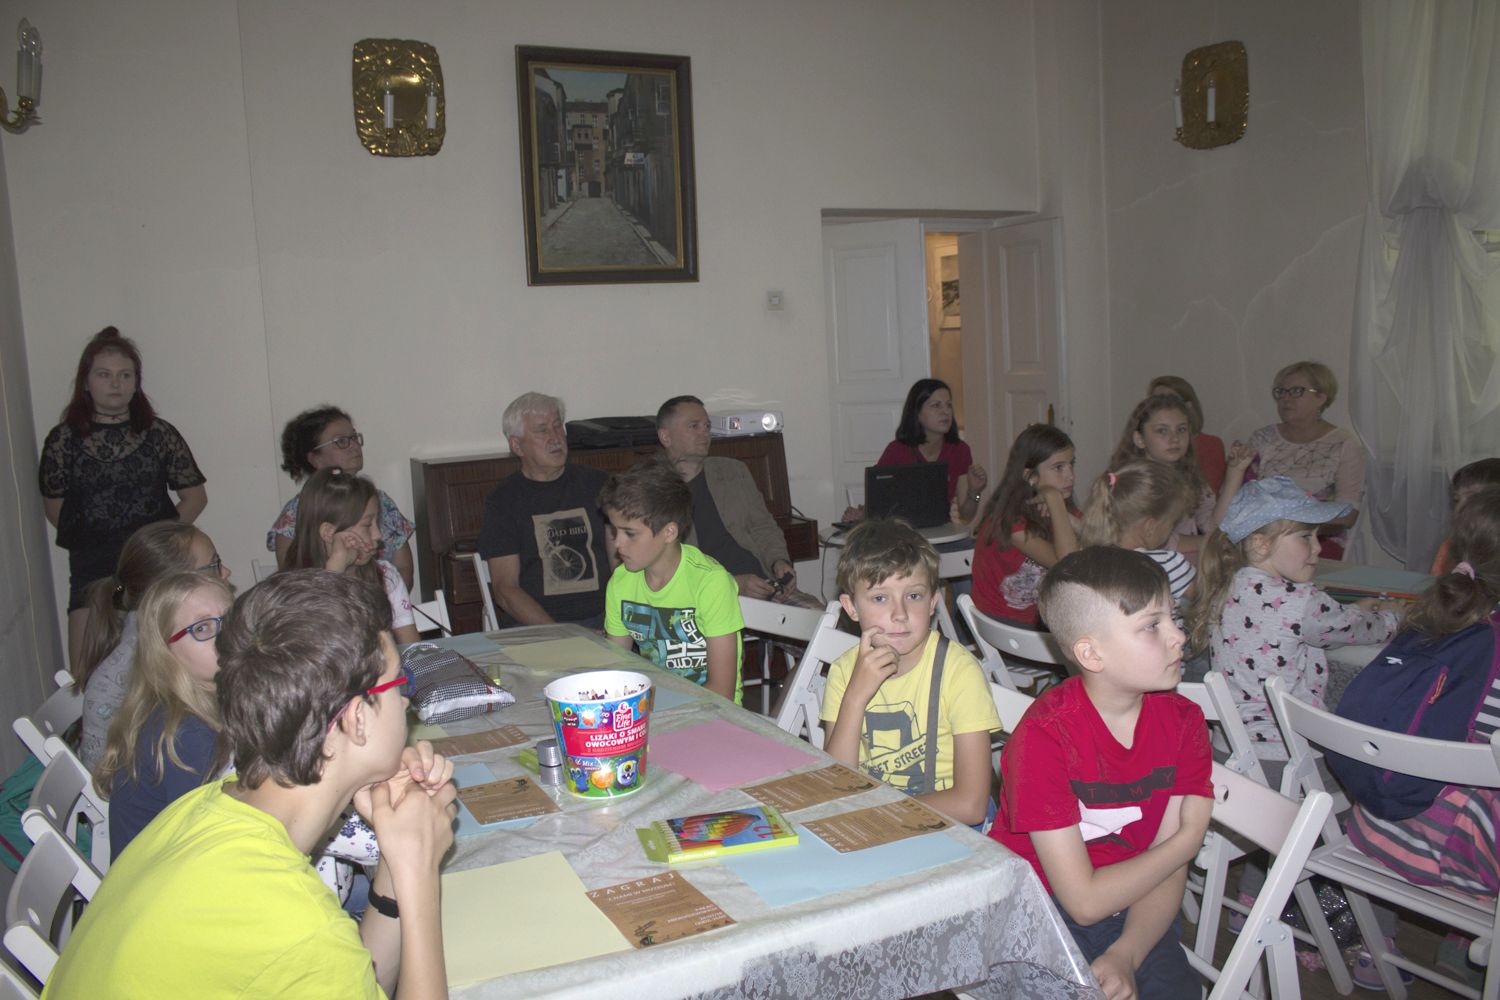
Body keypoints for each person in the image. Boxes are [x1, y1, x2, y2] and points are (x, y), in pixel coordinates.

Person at [43, 571, 458, 999]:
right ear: (356, 720)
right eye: (400, 684)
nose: (405, 701)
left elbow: (360, 982)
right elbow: (311, 950)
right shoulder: (297, 925)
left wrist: (394, 862)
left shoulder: (204, 807)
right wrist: (419, 874)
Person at [990, 547, 1214, 1000]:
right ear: (1091, 653)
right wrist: (1188, 841)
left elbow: (1166, 870)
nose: (1178, 636)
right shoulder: (1044, 738)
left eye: (1172, 617)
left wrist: (1126, 953)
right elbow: (1084, 903)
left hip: (1139, 907)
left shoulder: (1185, 722)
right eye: (1152, 625)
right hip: (1038, 910)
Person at [1185, 476, 1401, 772]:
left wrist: (1352, 609)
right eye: (1305, 537)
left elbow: (1289, 621)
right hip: (1287, 760)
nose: (1318, 548)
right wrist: (1394, 617)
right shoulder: (1304, 601)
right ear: (1261, 544)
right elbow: (1360, 630)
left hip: (1227, 754)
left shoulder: (1222, 587)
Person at [39, 327, 207, 672]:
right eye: (104, 374)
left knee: (166, 669)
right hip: (92, 569)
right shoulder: (63, 440)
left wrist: (157, 543)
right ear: (86, 382)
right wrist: (96, 539)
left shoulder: (159, 434)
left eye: (125, 375)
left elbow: (195, 498)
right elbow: (55, 509)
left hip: (153, 567)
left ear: (135, 383)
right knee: (87, 673)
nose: (115, 383)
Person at [819, 518, 998, 827]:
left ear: (933, 602)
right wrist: (855, 698)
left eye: (913, 596)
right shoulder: (844, 671)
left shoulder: (959, 671)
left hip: (951, 824)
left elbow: (971, 806)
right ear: (851, 607)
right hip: (877, 818)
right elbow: (837, 787)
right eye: (880, 598)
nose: (900, 614)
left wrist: (877, 811)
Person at [94, 571, 233, 861]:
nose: (228, 635)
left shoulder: (212, 697)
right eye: (203, 628)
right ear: (165, 651)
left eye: (231, 618)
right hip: (166, 879)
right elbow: (211, 845)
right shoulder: (185, 733)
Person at [78, 521, 231, 770]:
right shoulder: (152, 658)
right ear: (171, 587)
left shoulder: (164, 639)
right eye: (213, 565)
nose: (225, 572)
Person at [600, 458, 744, 703]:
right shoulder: (621, 582)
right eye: (615, 531)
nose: (617, 543)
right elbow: (616, 672)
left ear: (669, 532)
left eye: (630, 533)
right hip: (655, 705)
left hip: (715, 712)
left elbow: (722, 691)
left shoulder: (710, 582)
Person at [655, 395, 820, 608]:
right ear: (666, 437)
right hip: (707, 598)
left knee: (820, 616)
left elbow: (762, 526)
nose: (705, 433)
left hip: (763, 585)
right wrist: (734, 584)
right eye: (694, 426)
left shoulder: (732, 470)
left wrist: (779, 561)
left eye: (707, 426)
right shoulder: (654, 488)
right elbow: (663, 565)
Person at [477, 392, 613, 628]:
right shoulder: (503, 501)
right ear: (517, 446)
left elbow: (623, 566)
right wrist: (561, 634)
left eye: (558, 426)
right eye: (542, 430)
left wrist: (617, 622)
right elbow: (505, 589)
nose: (555, 437)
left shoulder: (598, 484)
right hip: (539, 626)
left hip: (605, 619)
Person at [268, 405, 415, 589]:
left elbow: (404, 567)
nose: (354, 446)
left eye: (354, 437)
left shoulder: (380, 501)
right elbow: (291, 583)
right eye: (341, 441)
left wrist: (386, 601)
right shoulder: (296, 512)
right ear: (315, 459)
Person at [286, 468, 420, 646]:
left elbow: (413, 648)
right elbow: (313, 645)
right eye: (367, 525)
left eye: (377, 523)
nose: (378, 534)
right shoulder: (293, 591)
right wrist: (335, 567)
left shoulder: (387, 577)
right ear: (328, 532)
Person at [1245, 360, 1363, 559]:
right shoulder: (1262, 438)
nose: (1285, 399)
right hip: (1261, 536)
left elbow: (1347, 516)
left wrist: (1292, 532)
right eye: (1281, 392)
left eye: (1296, 391)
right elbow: (1242, 498)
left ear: (1321, 397)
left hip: (1317, 539)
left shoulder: (1343, 443)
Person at [1109, 394, 1248, 555]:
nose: (1175, 438)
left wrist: (1235, 472)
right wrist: (1205, 542)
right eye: (1162, 431)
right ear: (1139, 439)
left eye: (1181, 429)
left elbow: (1212, 526)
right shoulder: (1134, 483)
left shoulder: (1189, 475)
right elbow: (1154, 540)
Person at [970, 425, 1080, 626]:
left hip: (1041, 618)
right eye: (1059, 468)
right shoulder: (1009, 520)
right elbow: (1069, 564)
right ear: (1030, 477)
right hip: (1002, 625)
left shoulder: (1062, 509)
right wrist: (1054, 499)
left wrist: (1072, 520)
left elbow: (1104, 547)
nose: (1070, 476)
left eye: (1071, 464)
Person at [840, 378, 988, 524]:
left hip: (943, 530)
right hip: (903, 532)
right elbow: (879, 503)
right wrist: (863, 514)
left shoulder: (960, 450)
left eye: (948, 405)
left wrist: (974, 492)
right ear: (917, 412)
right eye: (936, 405)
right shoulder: (897, 450)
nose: (945, 412)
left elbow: (966, 516)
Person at [1079, 461, 1197, 620]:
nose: (1172, 529)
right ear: (1150, 527)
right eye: (1172, 522)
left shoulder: (1088, 562)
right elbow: (1208, 600)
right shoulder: (1166, 564)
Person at [1147, 375, 1226, 492]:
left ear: (1188, 407)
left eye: (1170, 401)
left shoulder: (1209, 444)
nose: (1162, 407)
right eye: (1155, 402)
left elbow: (1210, 490)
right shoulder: (1147, 443)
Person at [1430, 458, 1500, 575]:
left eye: (1473, 499)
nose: (1459, 508)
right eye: (1457, 500)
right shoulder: (1450, 547)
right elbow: (1439, 579)